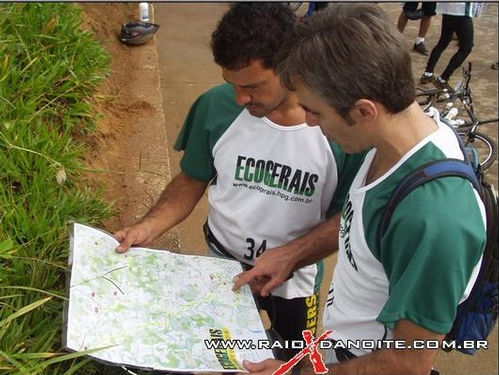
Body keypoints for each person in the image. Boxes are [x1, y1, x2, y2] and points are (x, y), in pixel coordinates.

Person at [233, 4, 486, 374]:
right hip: (340, 348)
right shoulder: (397, 138)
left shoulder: (435, 220)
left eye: (315, 111)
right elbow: (365, 221)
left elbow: (407, 363)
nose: (308, 121)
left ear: (365, 110)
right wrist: (294, 254)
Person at [114, 3, 363, 361]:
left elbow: (349, 218)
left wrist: (291, 256)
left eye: (253, 86)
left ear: (292, 67)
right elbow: (191, 180)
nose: (240, 98)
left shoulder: (339, 129)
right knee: (220, 359)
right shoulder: (215, 108)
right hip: (222, 272)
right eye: (232, 84)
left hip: (294, 285)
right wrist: (147, 227)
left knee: (290, 364)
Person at [420, 2, 483, 91]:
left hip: (448, 11)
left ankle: (428, 73)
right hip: (461, 13)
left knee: (443, 42)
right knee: (466, 48)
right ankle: (443, 79)